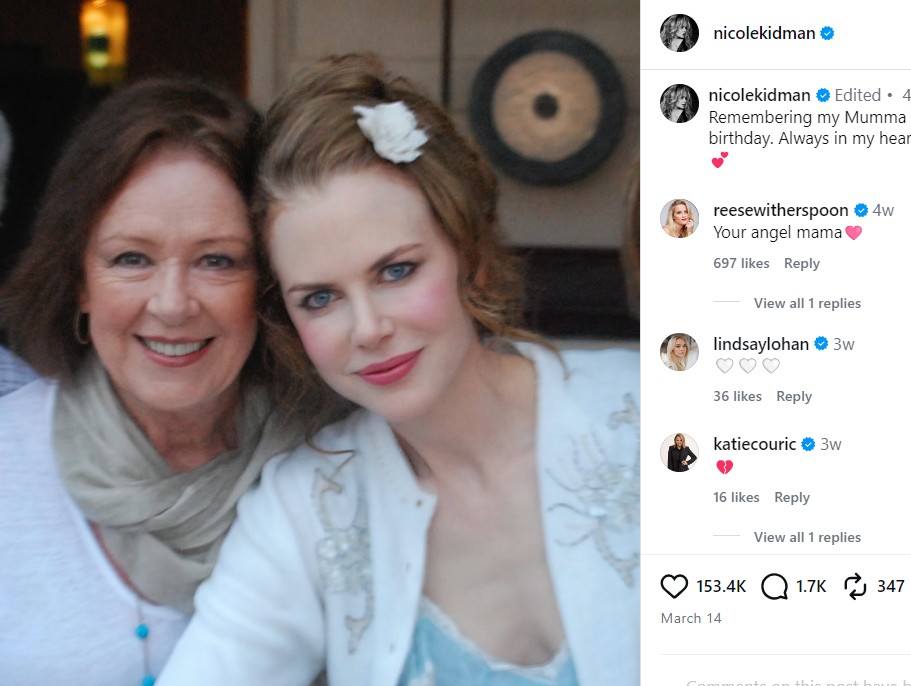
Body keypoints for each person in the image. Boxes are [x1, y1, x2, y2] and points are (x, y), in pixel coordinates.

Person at [159, 54, 639, 686]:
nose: (367, 328)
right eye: (320, 298)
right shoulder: (305, 510)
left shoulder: (650, 414)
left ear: (469, 254)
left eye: (396, 271)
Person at [0, 79, 302, 684]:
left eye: (217, 260)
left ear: (269, 282)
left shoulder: (331, 460)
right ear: (80, 283)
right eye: (131, 258)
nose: (172, 304)